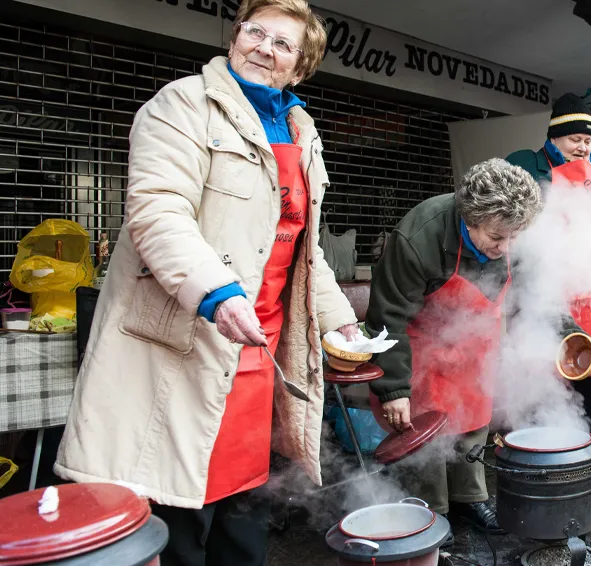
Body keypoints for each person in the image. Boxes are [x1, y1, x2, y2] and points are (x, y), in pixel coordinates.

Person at [53, 1, 360, 563]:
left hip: (259, 356)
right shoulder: (182, 105)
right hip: (186, 340)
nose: (265, 48)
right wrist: (215, 292)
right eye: (256, 32)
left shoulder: (301, 130)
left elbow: (303, 248)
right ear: (236, 35)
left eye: (283, 44)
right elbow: (157, 211)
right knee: (179, 515)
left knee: (244, 518)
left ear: (300, 66)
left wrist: (342, 322)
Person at [366, 159, 543, 533]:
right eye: (497, 238)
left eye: (514, 237)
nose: (506, 246)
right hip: (422, 345)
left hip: (477, 343)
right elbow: (387, 317)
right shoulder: (419, 235)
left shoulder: (513, 237)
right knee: (427, 428)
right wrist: (393, 388)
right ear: (471, 217)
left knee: (473, 423)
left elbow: (532, 295)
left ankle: (469, 500)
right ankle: (430, 513)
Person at [507, 93, 591, 468]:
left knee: (590, 365)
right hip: (542, 287)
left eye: (588, 141)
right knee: (542, 365)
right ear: (554, 136)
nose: (583, 148)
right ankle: (538, 445)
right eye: (575, 140)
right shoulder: (525, 164)